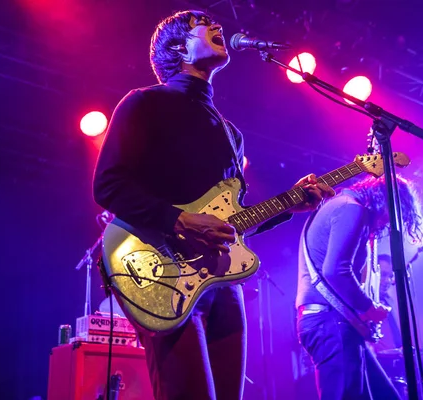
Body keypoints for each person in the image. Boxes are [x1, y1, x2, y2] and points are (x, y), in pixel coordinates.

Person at [92, 10, 334, 400]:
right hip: (161, 272)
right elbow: (108, 184)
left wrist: (291, 204)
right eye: (202, 26)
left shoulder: (231, 132)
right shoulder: (144, 103)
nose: (218, 26)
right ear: (177, 47)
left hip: (222, 280)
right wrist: (181, 221)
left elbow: (231, 221)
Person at [296, 175, 423, 399]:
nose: (386, 223)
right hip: (331, 322)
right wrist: (369, 308)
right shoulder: (350, 209)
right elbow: (335, 271)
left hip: (334, 322)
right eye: (392, 215)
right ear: (385, 201)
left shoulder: (341, 205)